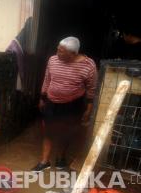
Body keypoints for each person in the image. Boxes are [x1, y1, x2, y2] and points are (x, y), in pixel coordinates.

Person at [32, 36, 97, 171]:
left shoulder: (88, 65)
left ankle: (60, 158)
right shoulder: (53, 60)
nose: (57, 53)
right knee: (48, 132)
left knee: (66, 133)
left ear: (73, 54)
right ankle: (45, 161)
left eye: (61, 51)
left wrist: (89, 108)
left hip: (72, 105)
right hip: (51, 103)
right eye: (57, 49)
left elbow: (91, 88)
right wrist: (42, 98)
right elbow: (47, 79)